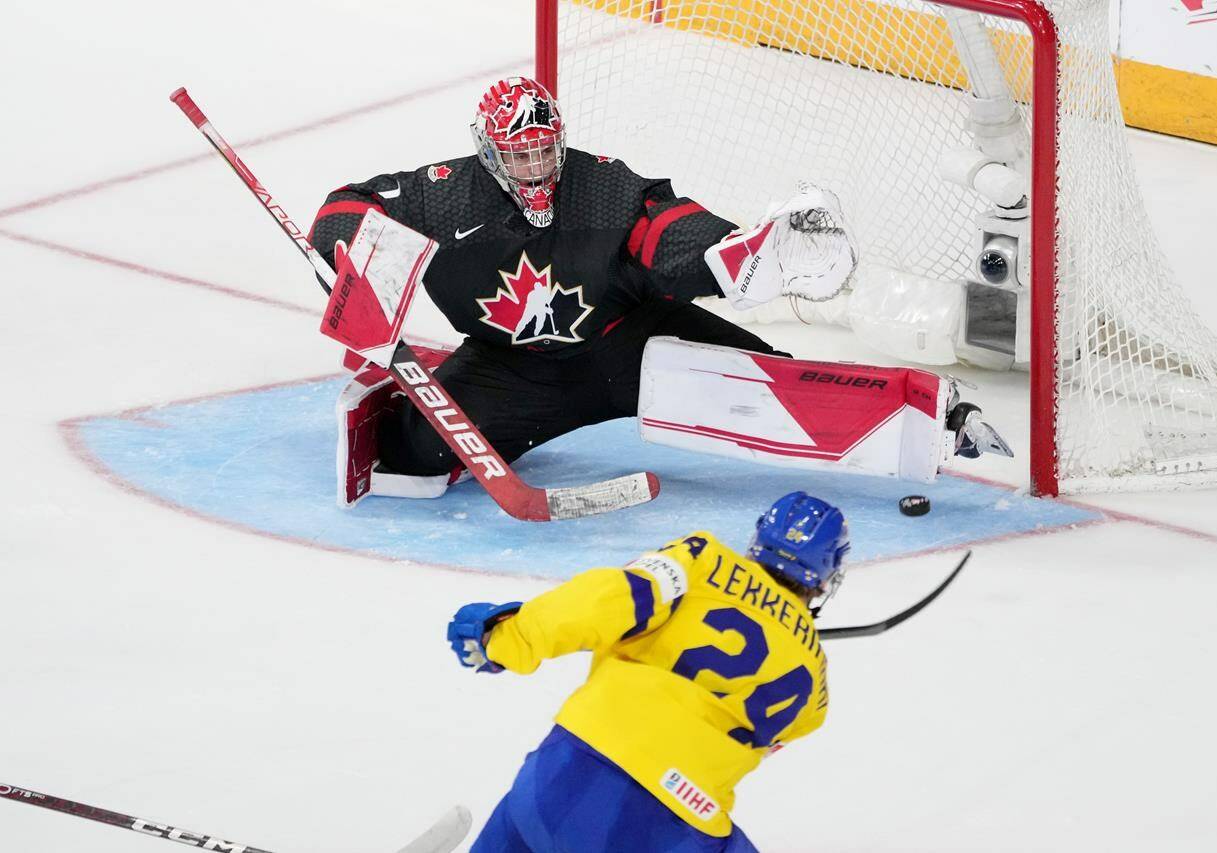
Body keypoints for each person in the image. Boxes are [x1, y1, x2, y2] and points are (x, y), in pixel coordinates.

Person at [311, 76, 797, 501]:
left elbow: (663, 227)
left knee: (770, 385)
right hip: (512, 367)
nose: (537, 169)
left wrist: (729, 254)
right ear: (488, 151)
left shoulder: (599, 183)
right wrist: (348, 253)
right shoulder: (446, 196)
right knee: (418, 453)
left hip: (629, 342)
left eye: (545, 151)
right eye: (520, 157)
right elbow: (355, 204)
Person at [446, 491, 850, 851]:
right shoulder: (816, 688)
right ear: (826, 575)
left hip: (564, 774)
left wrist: (508, 638)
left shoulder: (702, 559)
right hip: (672, 822)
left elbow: (611, 600)